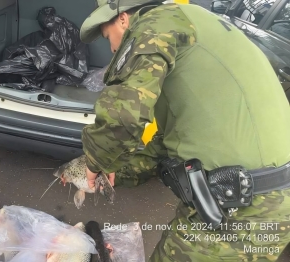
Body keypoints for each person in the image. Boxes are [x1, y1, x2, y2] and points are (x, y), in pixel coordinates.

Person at [74, 0, 290, 261]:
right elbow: (171, 140)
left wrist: (95, 163)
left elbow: (123, 113)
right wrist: (117, 173)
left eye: (109, 37)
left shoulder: (157, 24)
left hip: (240, 207)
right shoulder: (196, 22)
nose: (112, 48)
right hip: (264, 200)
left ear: (122, 18)